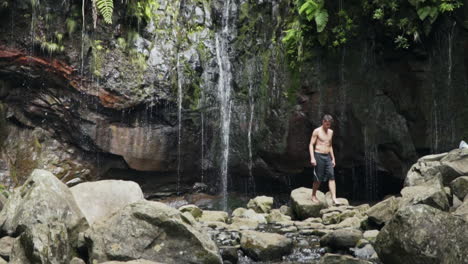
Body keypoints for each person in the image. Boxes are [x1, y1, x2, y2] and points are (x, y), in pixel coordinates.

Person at [309, 114, 339, 204]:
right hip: (318, 155)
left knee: (332, 176)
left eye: (329, 124)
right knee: (318, 178)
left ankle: (334, 198)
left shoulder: (331, 132)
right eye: (326, 124)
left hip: (327, 157)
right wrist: (312, 158)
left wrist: (333, 158)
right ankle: (313, 195)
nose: (328, 126)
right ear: (323, 122)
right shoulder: (317, 131)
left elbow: (330, 146)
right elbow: (311, 144)